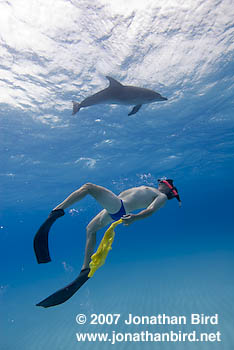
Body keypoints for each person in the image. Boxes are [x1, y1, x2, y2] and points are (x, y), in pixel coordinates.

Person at [34, 178, 181, 308]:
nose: (159, 182)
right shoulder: (154, 190)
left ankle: (57, 211)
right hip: (115, 208)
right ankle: (85, 269)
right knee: (90, 230)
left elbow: (151, 210)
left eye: (163, 181)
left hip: (120, 207)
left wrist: (135, 218)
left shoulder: (161, 196)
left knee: (89, 187)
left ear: (169, 187)